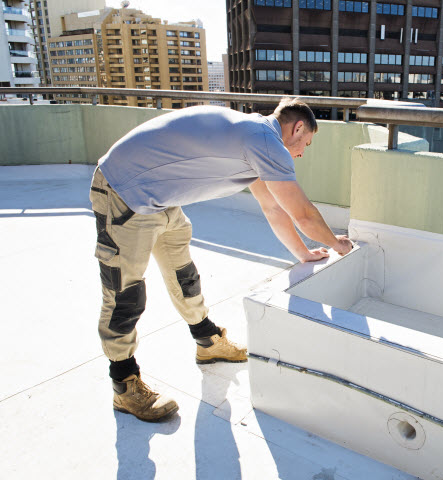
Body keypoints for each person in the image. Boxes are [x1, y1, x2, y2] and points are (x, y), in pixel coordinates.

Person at [89, 97, 353, 422]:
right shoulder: (264, 141)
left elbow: (273, 207)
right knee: (124, 294)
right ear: (297, 127)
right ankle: (124, 384)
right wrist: (337, 244)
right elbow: (303, 214)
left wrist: (303, 253)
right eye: (306, 144)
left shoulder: (253, 139)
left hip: (162, 200)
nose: (301, 153)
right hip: (124, 191)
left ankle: (208, 342)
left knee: (184, 276)